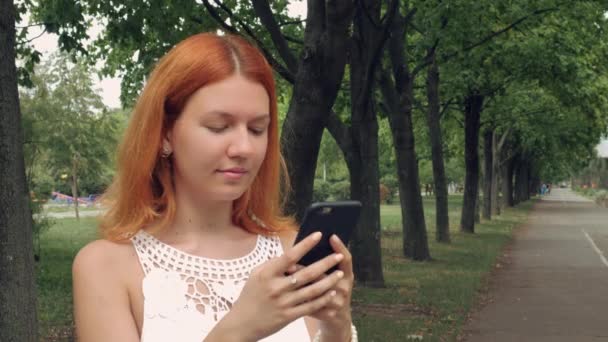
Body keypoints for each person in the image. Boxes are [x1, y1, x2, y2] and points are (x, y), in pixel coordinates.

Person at [72, 33, 357, 342]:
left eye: (257, 129)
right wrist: (238, 330)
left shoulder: (291, 252)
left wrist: (336, 326)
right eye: (219, 127)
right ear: (165, 134)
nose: (244, 148)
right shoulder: (105, 268)